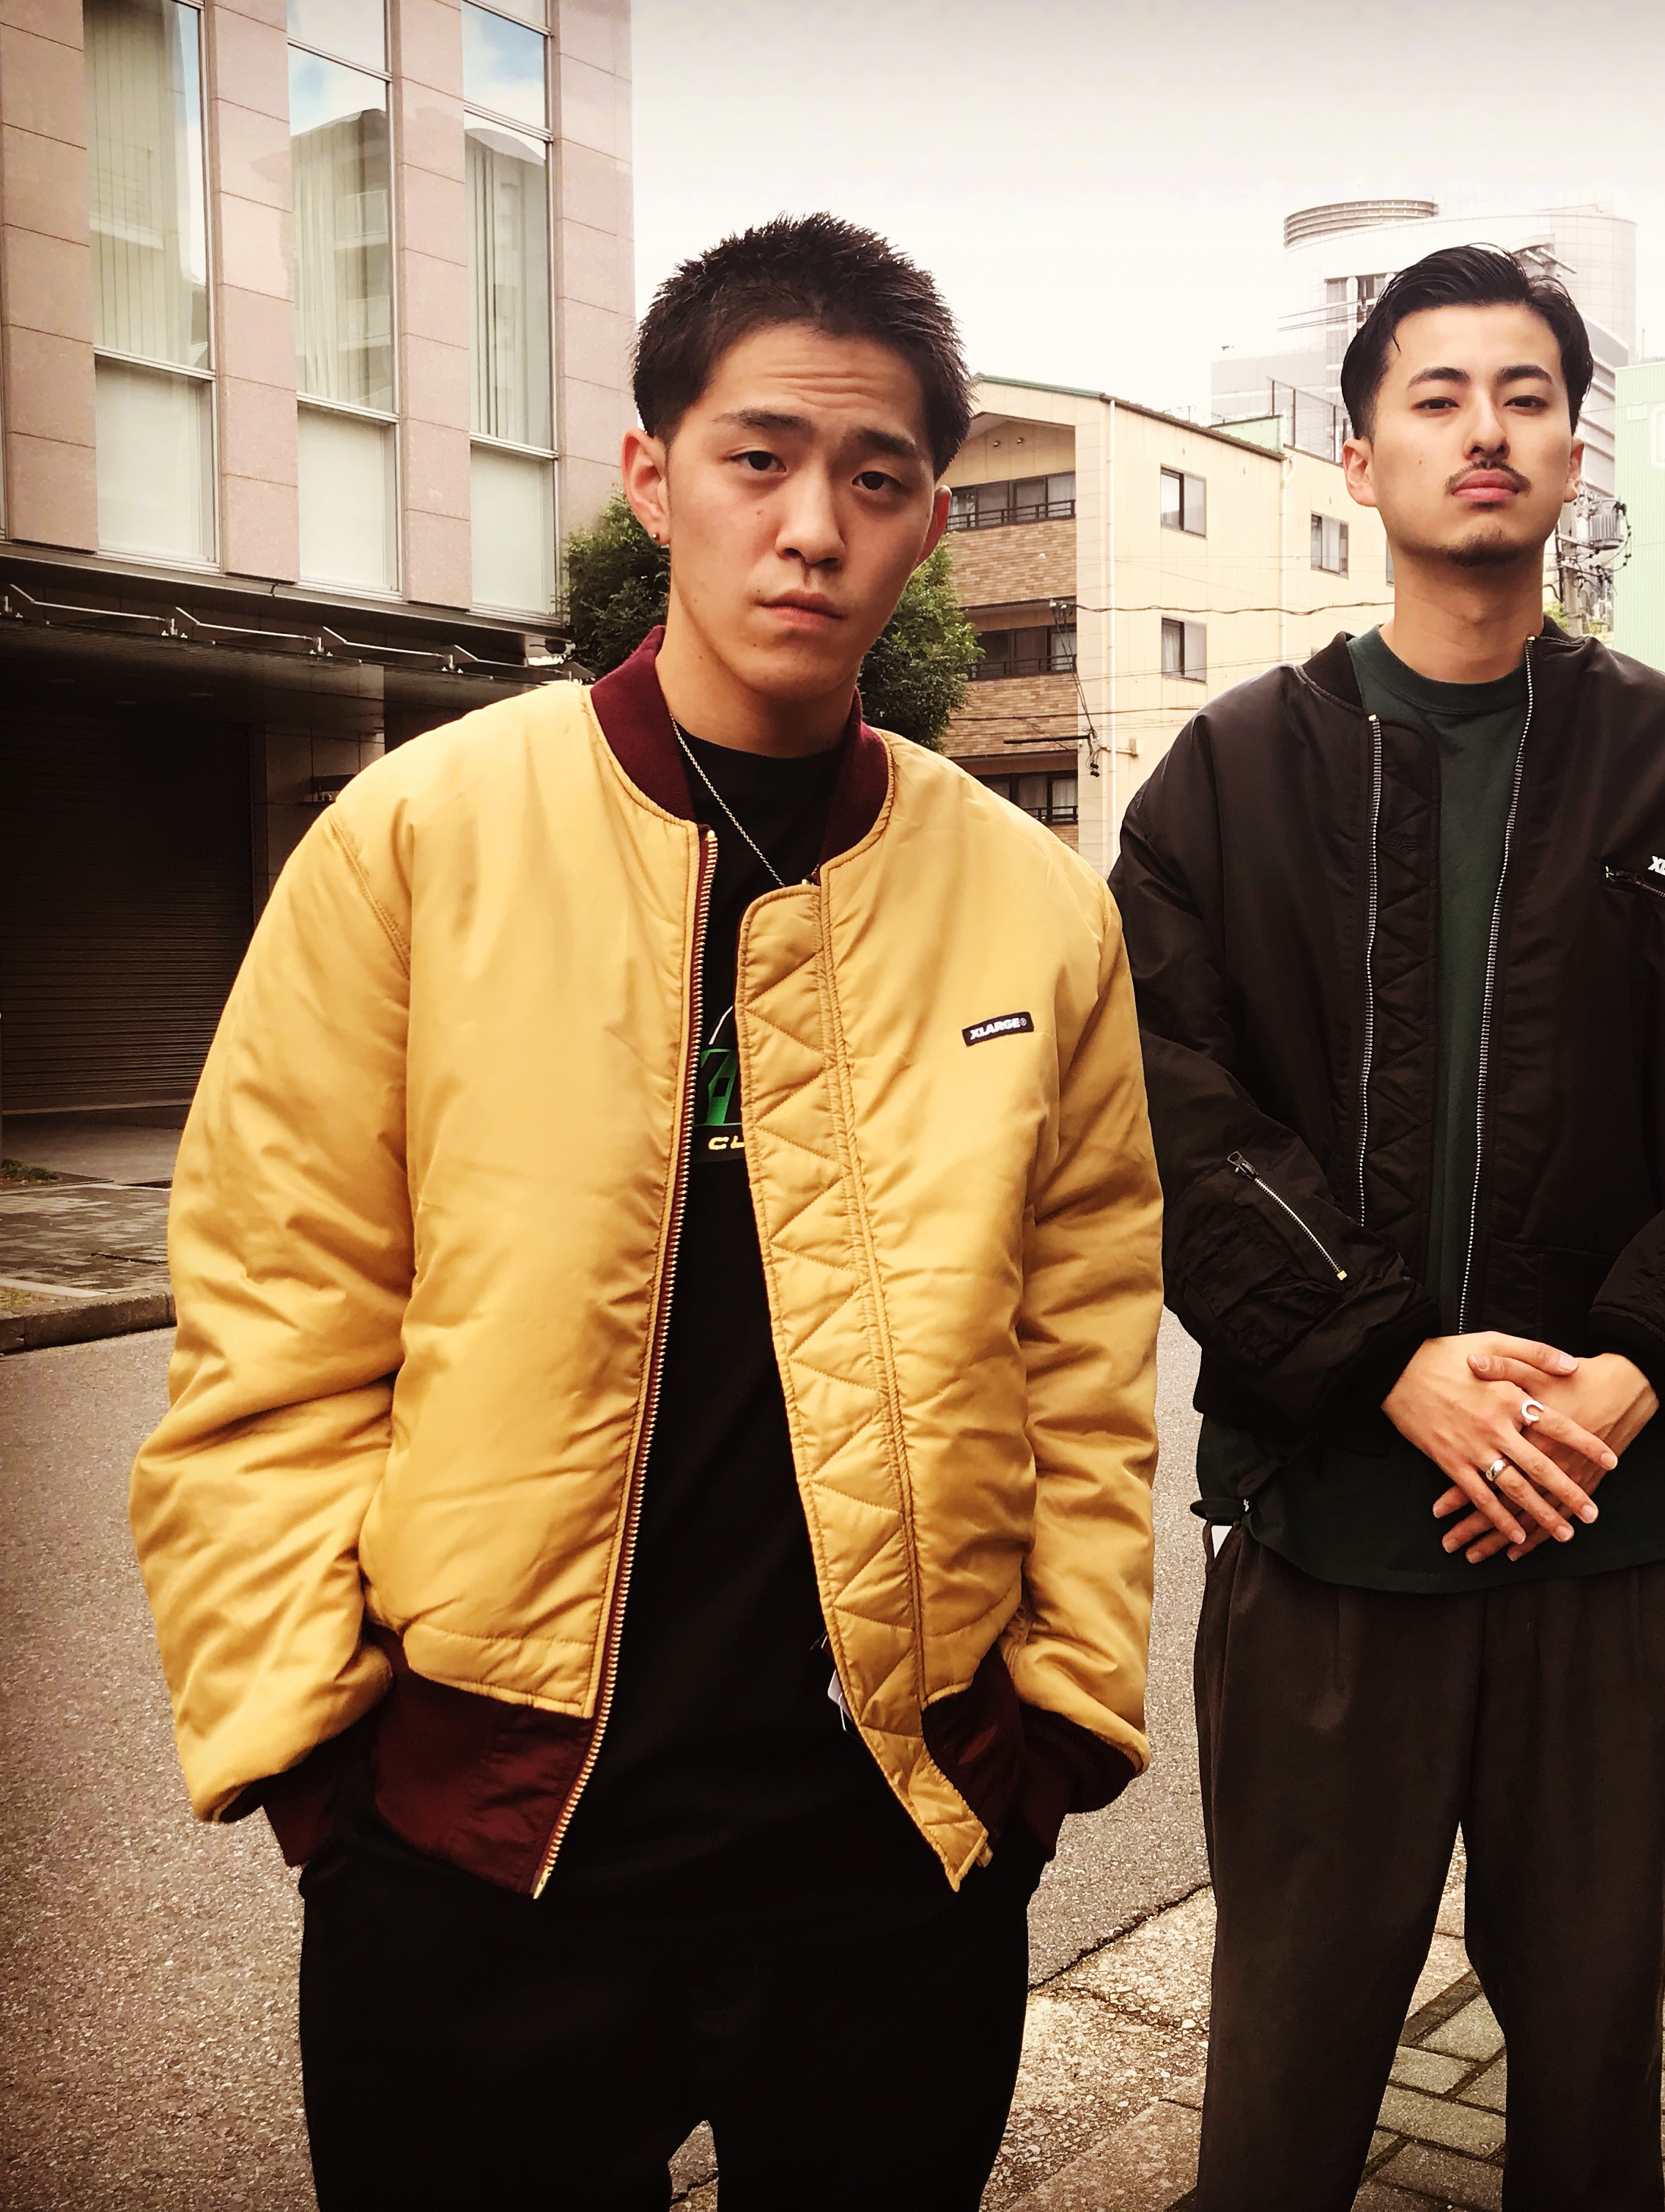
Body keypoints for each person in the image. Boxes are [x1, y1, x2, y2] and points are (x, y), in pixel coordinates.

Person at [131, 214, 1162, 2212]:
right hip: (478, 1855)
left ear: (930, 525)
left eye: (874, 479)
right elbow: (273, 1309)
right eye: (757, 457)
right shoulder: (419, 837)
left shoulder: (1033, 903)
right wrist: (321, 1765)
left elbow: (1085, 1337)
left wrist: (1049, 1723)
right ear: (650, 476)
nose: (811, 527)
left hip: (894, 1854)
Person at [1111, 245, 1665, 2211]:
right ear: (1358, 460)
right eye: (1434, 397)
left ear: (1575, 453)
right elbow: (1172, 1110)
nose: (1484, 430)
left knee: (1591, 2068)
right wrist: (1384, 1361)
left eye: (1524, 395)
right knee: (1284, 2077)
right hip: (1328, 1539)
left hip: (1614, 1540)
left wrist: (1632, 1373)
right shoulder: (1228, 778)